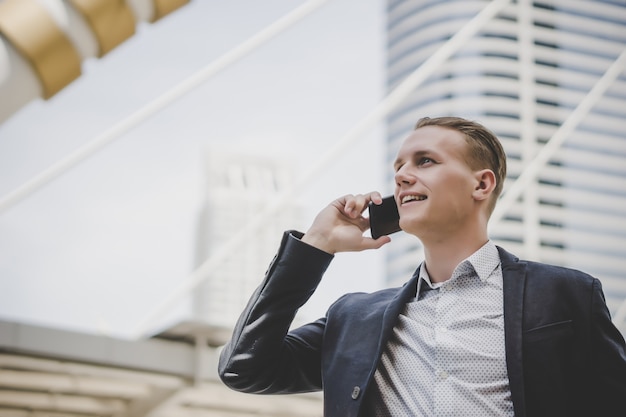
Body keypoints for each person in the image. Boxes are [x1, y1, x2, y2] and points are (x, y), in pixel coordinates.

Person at [218, 116, 626, 416]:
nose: (403, 177)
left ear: (481, 185)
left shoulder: (565, 294)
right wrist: (315, 247)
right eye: (399, 167)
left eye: (425, 161)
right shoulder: (355, 318)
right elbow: (244, 369)